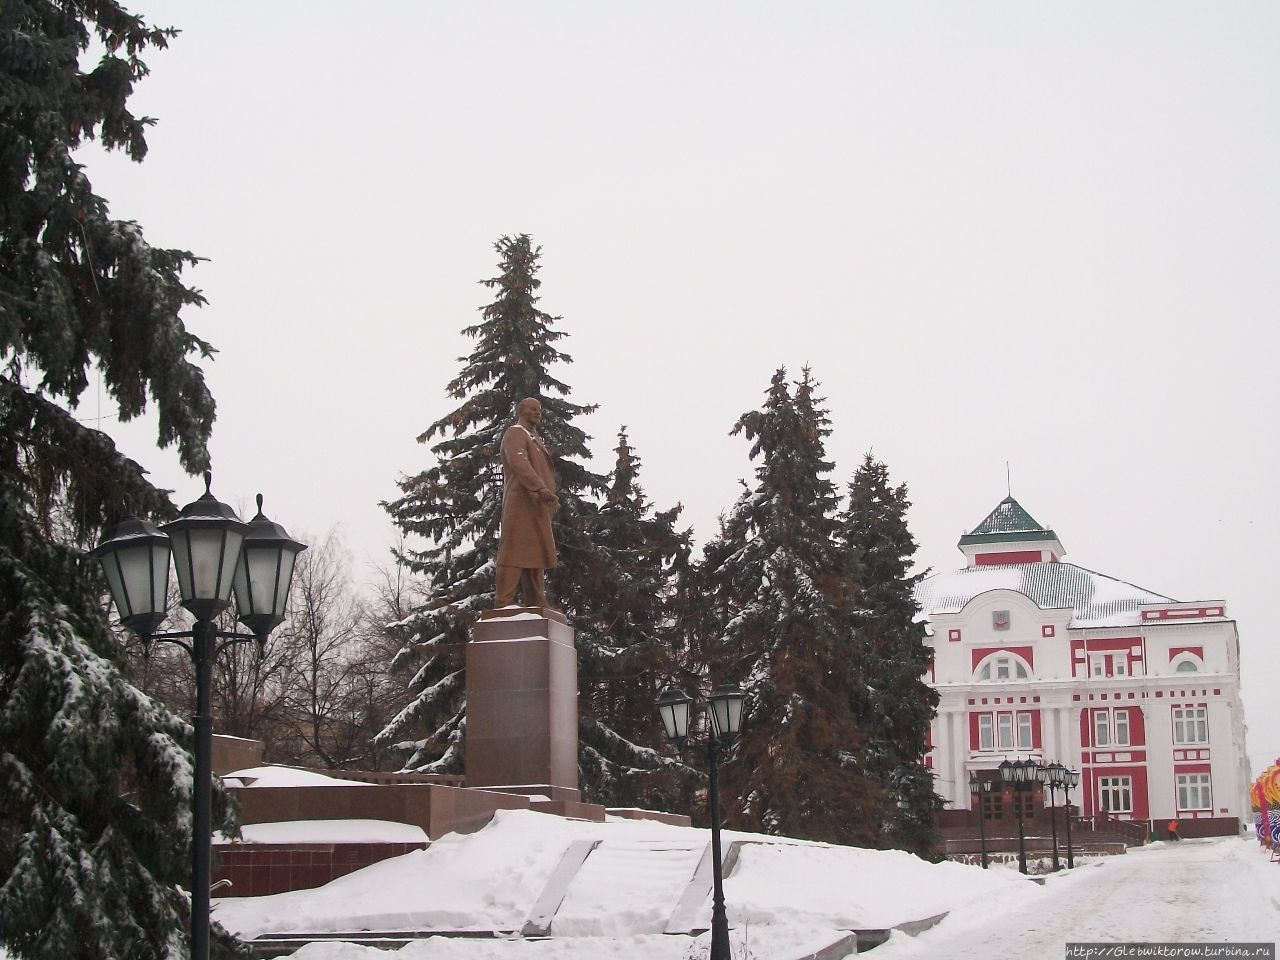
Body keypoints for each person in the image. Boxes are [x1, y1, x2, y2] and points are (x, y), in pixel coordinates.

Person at [495, 397, 559, 608]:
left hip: (537, 504)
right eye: (533, 408)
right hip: (521, 501)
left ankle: (535, 598)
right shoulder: (515, 433)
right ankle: (504, 600)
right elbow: (519, 462)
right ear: (521, 411)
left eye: (539, 409)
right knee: (514, 548)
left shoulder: (535, 438)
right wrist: (539, 487)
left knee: (536, 550)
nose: (537, 412)